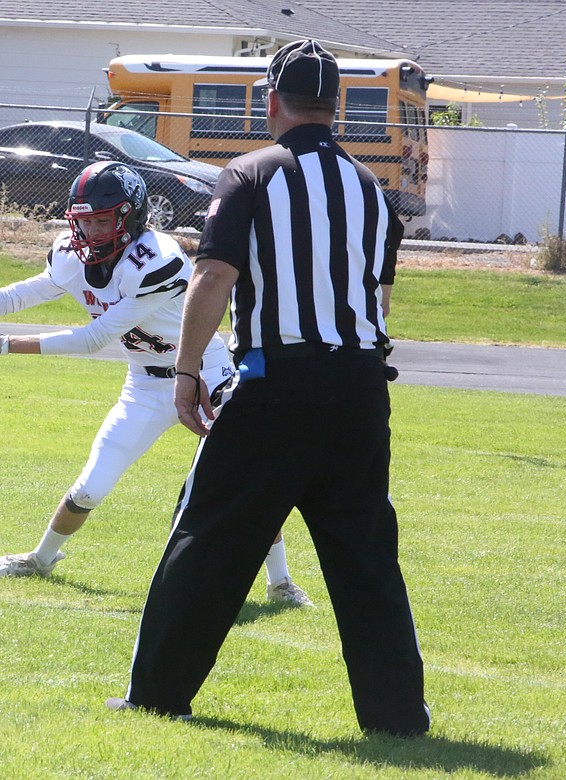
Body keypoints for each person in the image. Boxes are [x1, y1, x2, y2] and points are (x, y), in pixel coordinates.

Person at [107, 41, 430, 736]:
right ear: (337, 104)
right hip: (361, 388)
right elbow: (380, 299)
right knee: (366, 554)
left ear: (270, 100)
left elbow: (215, 276)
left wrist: (188, 371)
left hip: (277, 382)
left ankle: (158, 693)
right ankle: (397, 715)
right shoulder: (373, 190)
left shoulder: (251, 174)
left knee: (210, 537)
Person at [0, 160, 310, 605]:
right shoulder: (70, 253)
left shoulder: (155, 258)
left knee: (235, 474)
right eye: (83, 221)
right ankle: (41, 558)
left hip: (203, 373)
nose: (91, 232)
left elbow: (95, 338)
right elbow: (16, 295)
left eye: (102, 220)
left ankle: (280, 582)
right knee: (89, 487)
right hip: (144, 381)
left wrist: (8, 346)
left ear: (130, 216)